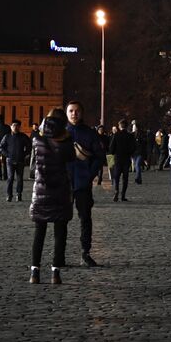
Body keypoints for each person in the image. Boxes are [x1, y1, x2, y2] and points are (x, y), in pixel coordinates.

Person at [29, 109, 75, 284]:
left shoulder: (37, 139)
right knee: (59, 232)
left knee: (39, 232)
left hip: (40, 191)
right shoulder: (66, 142)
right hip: (60, 192)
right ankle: (55, 273)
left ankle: (35, 272)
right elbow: (71, 158)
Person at [65, 101, 105, 267]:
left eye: (77, 111)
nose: (74, 114)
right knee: (61, 220)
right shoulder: (62, 133)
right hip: (64, 183)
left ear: (82, 113)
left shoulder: (89, 134)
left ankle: (85, 252)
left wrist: (89, 174)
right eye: (71, 111)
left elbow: (99, 156)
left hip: (82, 183)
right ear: (67, 113)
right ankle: (59, 255)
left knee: (85, 219)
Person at [0, 120, 32, 202]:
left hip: (20, 160)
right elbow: (1, 147)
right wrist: (7, 155)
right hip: (10, 160)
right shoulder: (7, 136)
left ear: (19, 127)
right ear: (11, 127)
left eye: (17, 125)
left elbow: (29, 146)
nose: (15, 127)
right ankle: (9, 195)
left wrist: (24, 154)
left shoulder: (23, 136)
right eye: (13, 125)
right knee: (10, 178)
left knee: (20, 179)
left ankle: (19, 195)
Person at [108, 120, 136, 202]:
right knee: (125, 178)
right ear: (127, 126)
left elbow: (111, 148)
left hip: (118, 158)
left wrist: (113, 153)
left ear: (119, 126)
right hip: (126, 158)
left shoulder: (116, 135)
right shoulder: (130, 136)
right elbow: (133, 147)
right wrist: (129, 153)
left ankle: (116, 190)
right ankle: (123, 195)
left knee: (116, 177)